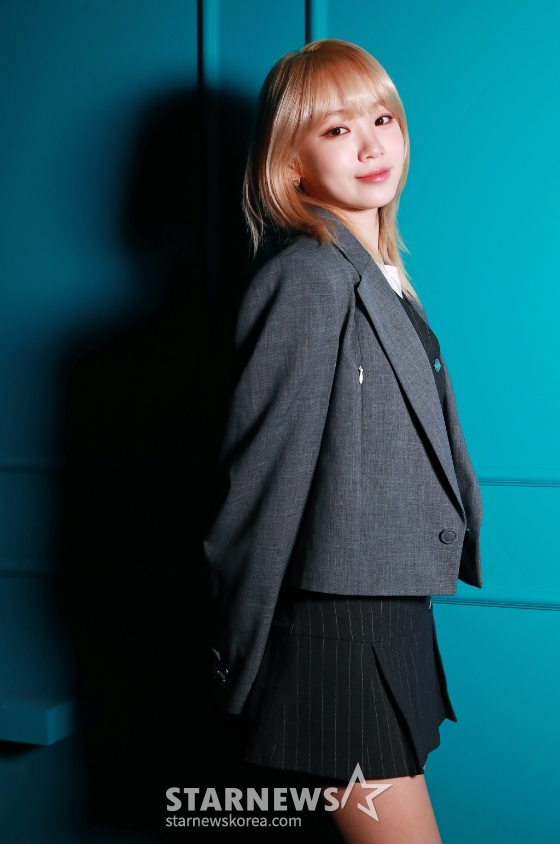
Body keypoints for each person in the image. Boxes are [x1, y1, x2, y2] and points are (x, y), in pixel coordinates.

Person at [203, 39, 482, 844]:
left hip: (386, 618)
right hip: (336, 635)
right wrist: (239, 657)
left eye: (382, 118)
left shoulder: (379, 274)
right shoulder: (307, 277)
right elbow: (260, 486)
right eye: (335, 129)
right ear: (289, 162)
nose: (370, 143)